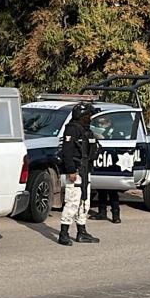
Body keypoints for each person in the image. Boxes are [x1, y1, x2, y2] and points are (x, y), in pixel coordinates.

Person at [56, 103, 99, 246]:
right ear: (82, 116)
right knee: (72, 202)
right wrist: (71, 170)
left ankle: (82, 232)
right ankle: (63, 234)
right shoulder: (72, 130)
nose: (90, 118)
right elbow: (67, 152)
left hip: (85, 171)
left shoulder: (85, 130)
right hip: (76, 170)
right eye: (88, 116)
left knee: (84, 202)